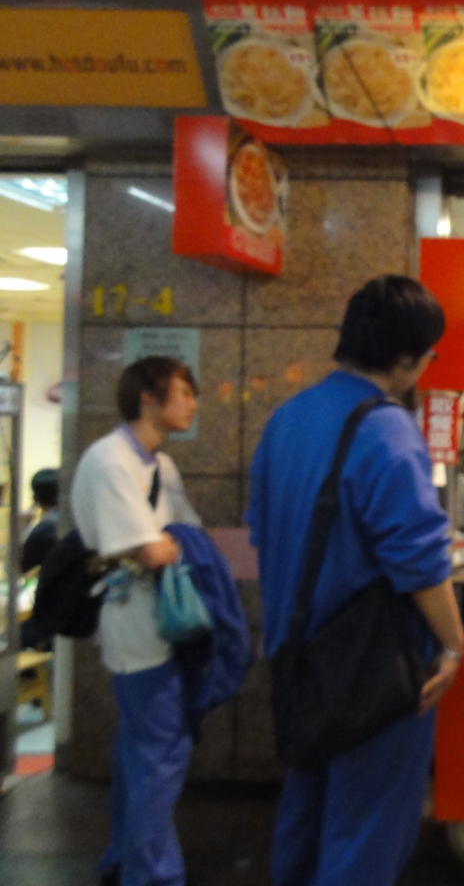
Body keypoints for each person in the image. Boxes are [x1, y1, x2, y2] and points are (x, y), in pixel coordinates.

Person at [247, 276, 464, 886]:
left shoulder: (287, 418)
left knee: (305, 819)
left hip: (298, 659)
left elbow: (263, 530)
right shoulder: (387, 429)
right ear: (407, 359)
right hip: (369, 673)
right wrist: (454, 645)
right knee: (365, 836)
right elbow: (420, 560)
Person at [70, 356, 202, 886]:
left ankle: (125, 858)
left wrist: (172, 544)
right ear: (148, 398)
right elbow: (153, 551)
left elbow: (185, 535)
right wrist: (168, 544)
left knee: (140, 749)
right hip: (136, 624)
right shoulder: (111, 461)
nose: (193, 403)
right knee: (161, 752)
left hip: (156, 618)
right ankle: (151, 875)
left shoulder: (159, 465)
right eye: (184, 392)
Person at [21, 467, 60, 574]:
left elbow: (16, 567)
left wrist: (22, 528)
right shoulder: (78, 519)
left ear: (35, 499)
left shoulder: (44, 529)